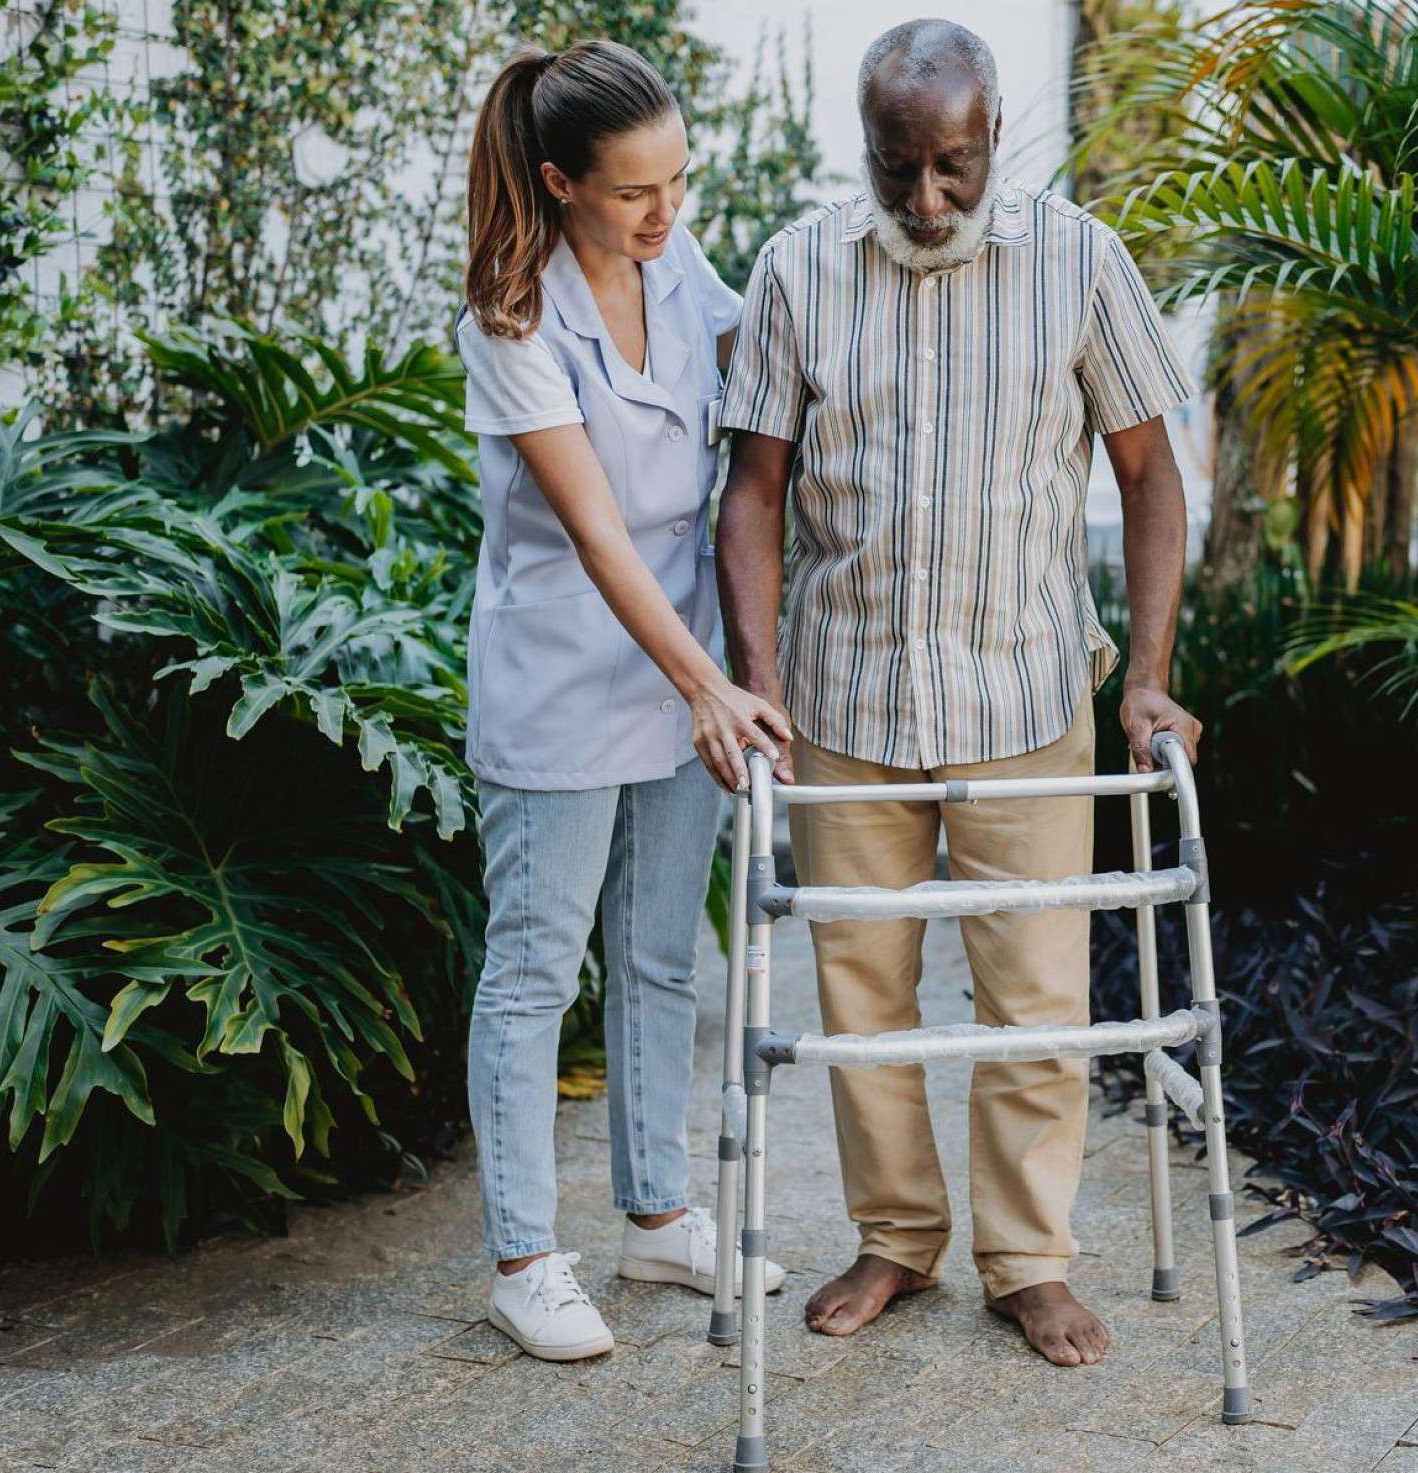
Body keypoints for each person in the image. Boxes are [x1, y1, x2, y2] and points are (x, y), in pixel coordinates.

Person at [713, 18, 1204, 1370]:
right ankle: (895, 1236)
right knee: (860, 994)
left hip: (1025, 686)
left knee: (1033, 996)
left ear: (997, 138)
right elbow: (750, 490)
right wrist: (758, 684)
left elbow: (1152, 475)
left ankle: (1029, 1260)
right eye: (899, 164)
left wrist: (1149, 680)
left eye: (954, 166)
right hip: (847, 693)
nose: (926, 199)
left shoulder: (1081, 262)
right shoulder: (799, 266)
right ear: (865, 142)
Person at [454, 38, 794, 1362]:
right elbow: (595, 529)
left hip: (681, 664)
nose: (666, 211)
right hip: (564, 671)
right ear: (559, 182)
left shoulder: (679, 264)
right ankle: (524, 1259)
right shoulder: (512, 314)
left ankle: (657, 1216)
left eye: (680, 180)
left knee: (662, 953)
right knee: (536, 970)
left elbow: (765, 381)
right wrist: (712, 683)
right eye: (635, 191)